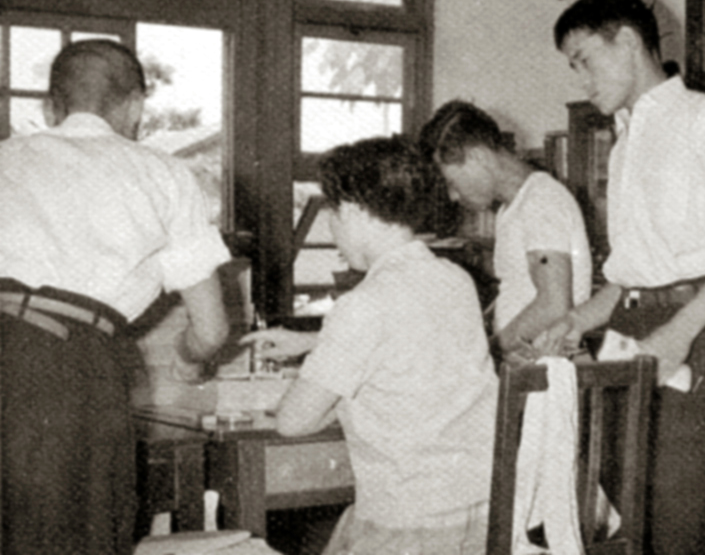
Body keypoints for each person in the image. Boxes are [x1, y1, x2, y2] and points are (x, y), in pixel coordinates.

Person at [0, 39, 231, 555]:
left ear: (51, 107)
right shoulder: (162, 174)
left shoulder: (5, 157)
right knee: (76, 535)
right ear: (134, 107)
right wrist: (189, 360)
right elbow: (212, 328)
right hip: (67, 367)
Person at [540, 0, 705, 555]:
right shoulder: (624, 143)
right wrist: (576, 321)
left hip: (693, 329)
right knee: (630, 509)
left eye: (585, 60)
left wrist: (677, 335)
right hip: (629, 330)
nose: (582, 81)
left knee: (685, 516)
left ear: (628, 42)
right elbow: (632, 275)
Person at [243, 135, 498, 555]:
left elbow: (293, 421)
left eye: (332, 213)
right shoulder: (455, 279)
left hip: (411, 524)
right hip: (485, 515)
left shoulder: (363, 304)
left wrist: (327, 377)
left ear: (352, 210)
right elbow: (411, 341)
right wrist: (312, 341)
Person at [418, 99, 592, 361]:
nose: (453, 196)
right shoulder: (512, 208)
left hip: (547, 369)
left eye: (452, 182)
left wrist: (489, 350)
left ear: (478, 156)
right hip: (528, 365)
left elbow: (554, 305)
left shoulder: (541, 200)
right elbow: (517, 291)